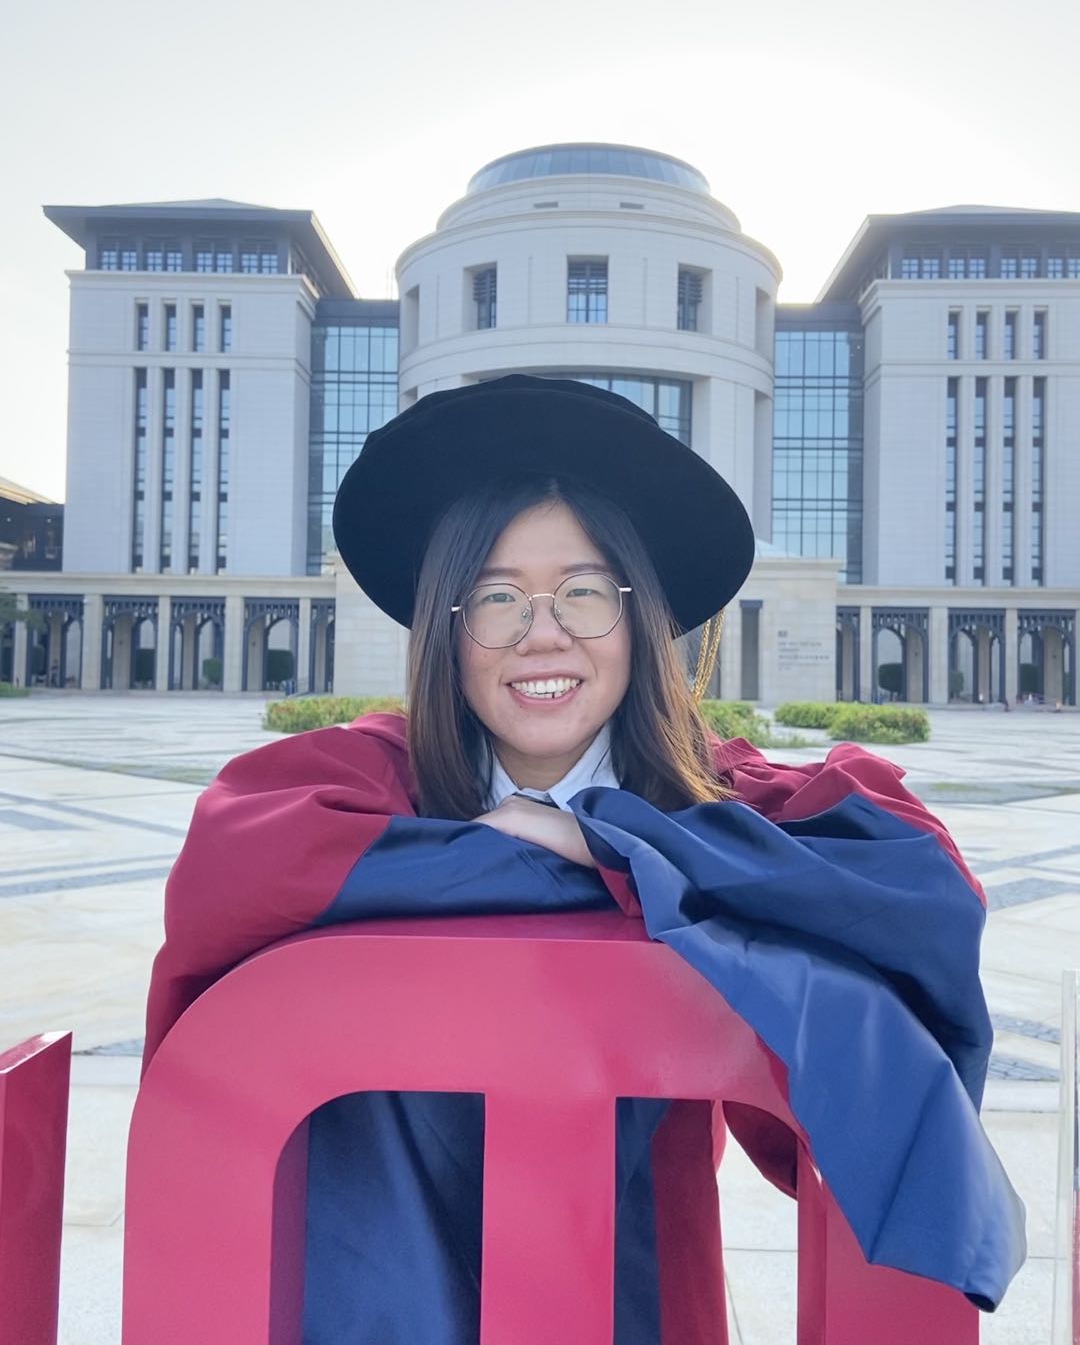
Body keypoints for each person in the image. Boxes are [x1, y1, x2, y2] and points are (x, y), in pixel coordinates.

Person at [143, 376, 1023, 1343]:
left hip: (634, 1266)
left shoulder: (719, 797)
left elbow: (915, 888)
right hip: (379, 1266)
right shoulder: (358, 783)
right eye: (497, 598)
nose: (544, 634)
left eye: (584, 592)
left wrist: (609, 837)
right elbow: (233, 871)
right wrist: (529, 858)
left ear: (638, 620)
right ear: (448, 629)